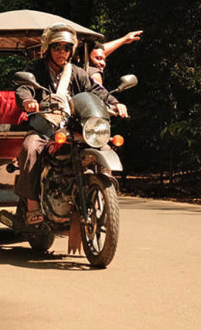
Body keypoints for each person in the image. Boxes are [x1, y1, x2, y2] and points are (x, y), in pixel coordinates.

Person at [15, 23, 128, 225]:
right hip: (45, 126)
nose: (62, 52)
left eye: (66, 48)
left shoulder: (76, 72)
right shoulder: (37, 68)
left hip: (74, 126)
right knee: (30, 147)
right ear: (48, 48)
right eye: (57, 47)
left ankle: (102, 195)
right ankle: (32, 205)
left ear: (71, 50)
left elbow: (97, 91)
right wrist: (27, 101)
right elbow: (24, 87)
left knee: (103, 144)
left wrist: (115, 103)